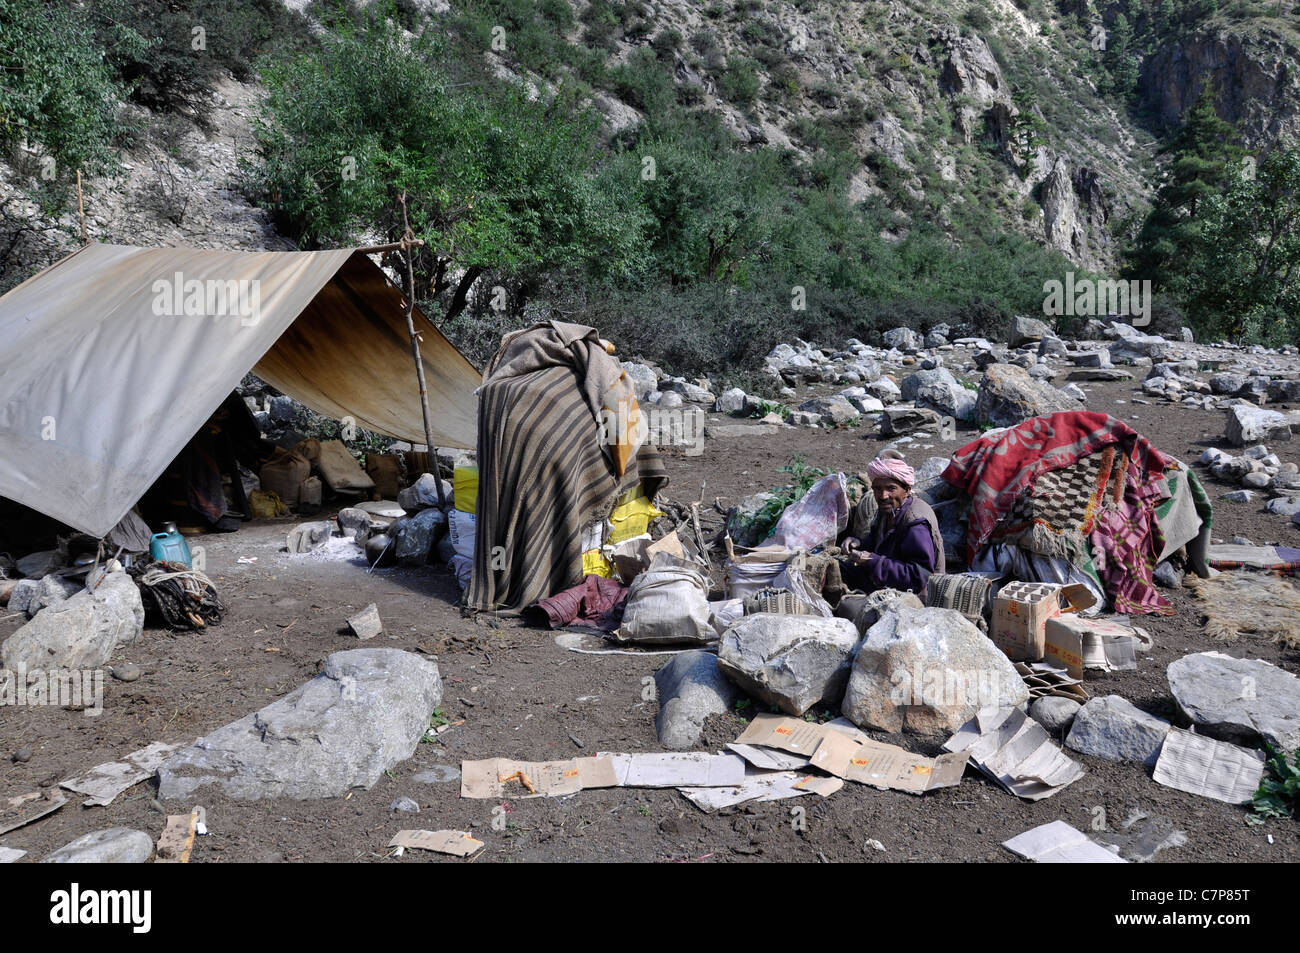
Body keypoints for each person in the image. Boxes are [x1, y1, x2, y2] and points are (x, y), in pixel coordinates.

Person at [838, 451, 945, 595]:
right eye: (877, 489)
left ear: (907, 490)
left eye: (891, 488)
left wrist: (871, 560)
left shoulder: (916, 523)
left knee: (850, 607)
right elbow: (877, 545)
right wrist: (858, 544)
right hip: (886, 583)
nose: (883, 496)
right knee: (835, 568)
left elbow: (920, 576)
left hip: (914, 596)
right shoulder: (888, 510)